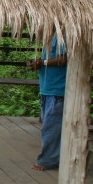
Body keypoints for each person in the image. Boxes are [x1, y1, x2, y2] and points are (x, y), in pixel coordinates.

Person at [26, 36, 68, 171]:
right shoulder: (52, 37)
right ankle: (54, 158)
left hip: (57, 91)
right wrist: (38, 63)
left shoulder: (62, 36)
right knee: (49, 126)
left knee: (51, 128)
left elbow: (64, 58)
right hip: (48, 90)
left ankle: (48, 161)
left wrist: (42, 63)